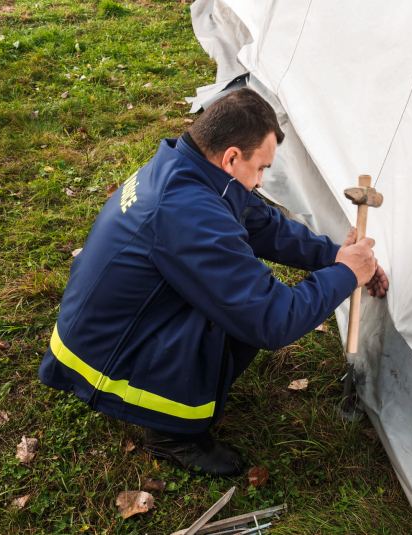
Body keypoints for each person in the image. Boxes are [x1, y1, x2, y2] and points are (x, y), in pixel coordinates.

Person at [38, 88, 388, 477]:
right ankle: (172, 433)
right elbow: (272, 319)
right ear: (232, 157)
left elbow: (260, 222)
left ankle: (176, 389)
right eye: (261, 169)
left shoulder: (186, 168)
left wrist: (333, 256)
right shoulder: (187, 213)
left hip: (98, 328)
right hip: (106, 358)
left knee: (231, 300)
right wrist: (345, 276)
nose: (259, 183)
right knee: (242, 316)